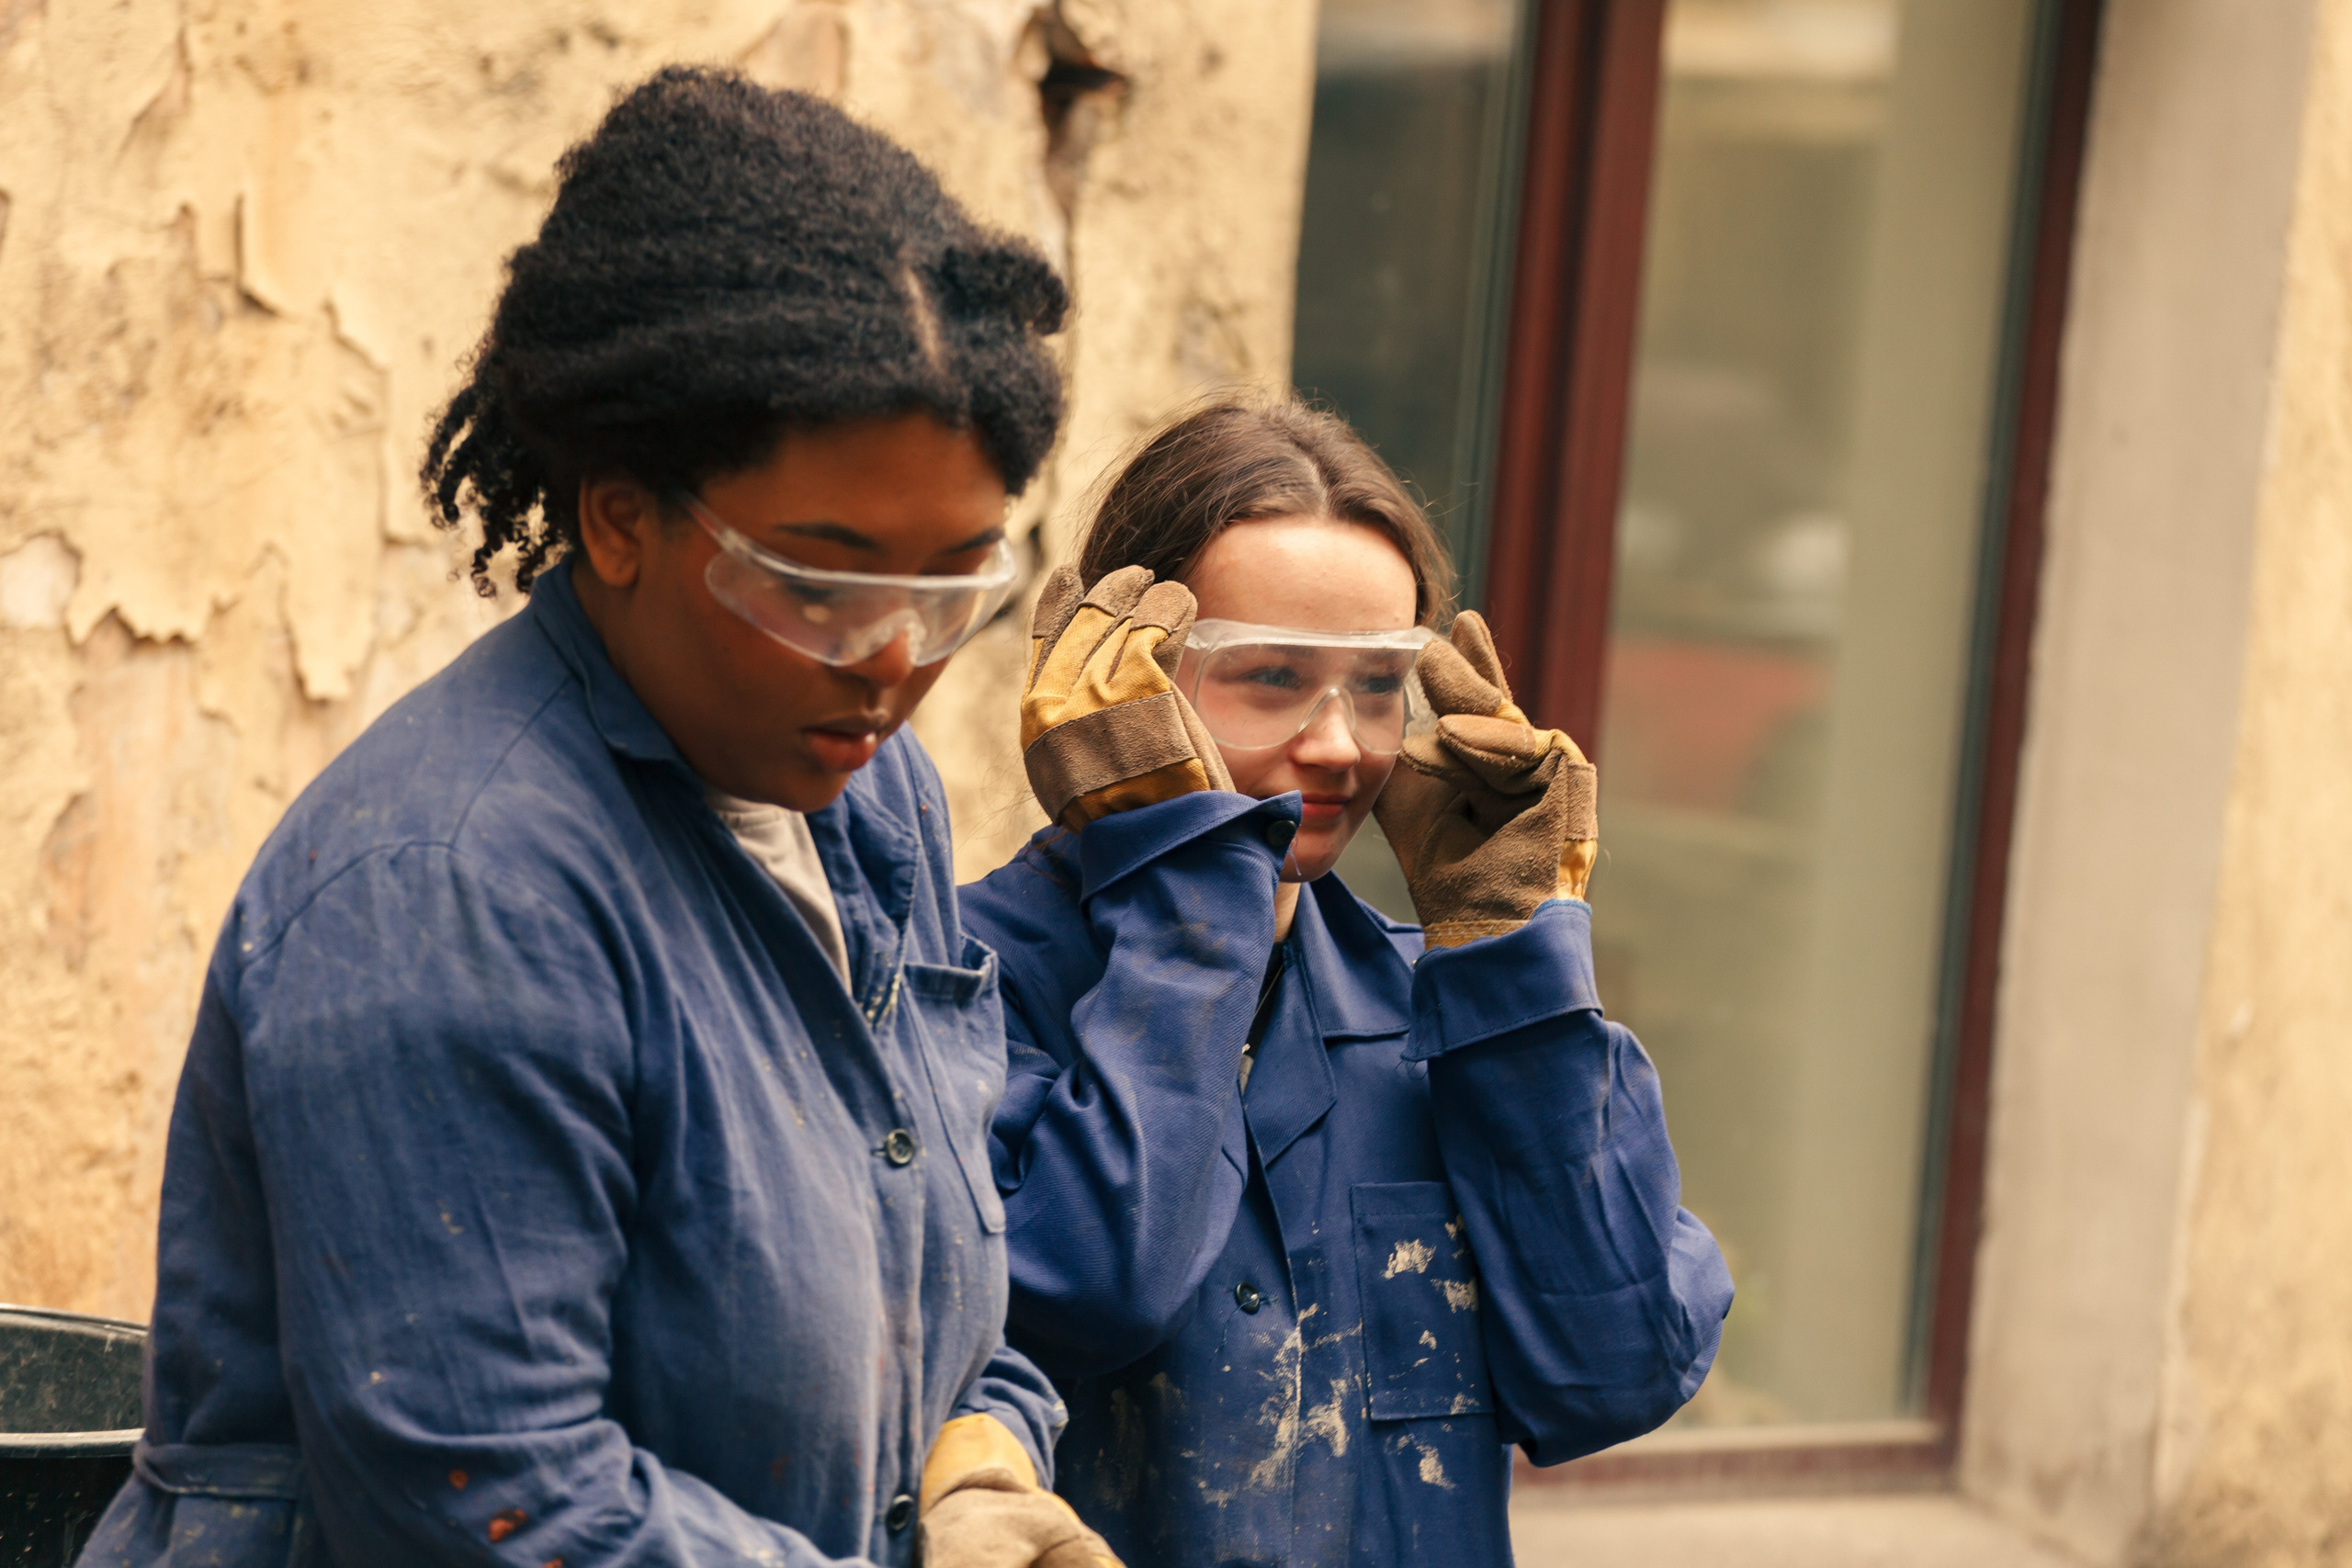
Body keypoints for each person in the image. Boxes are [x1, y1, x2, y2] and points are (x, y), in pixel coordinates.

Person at [83, 69, 1117, 1568]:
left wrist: (977, 1450)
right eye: (821, 581)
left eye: (954, 584)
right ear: (620, 515)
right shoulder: (447, 895)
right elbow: (496, 1507)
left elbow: (923, 1253)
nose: (897, 658)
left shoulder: (856, 789)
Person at [959, 400, 1734, 1566]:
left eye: (1376, 685)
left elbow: (1613, 1374)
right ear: (1118, 681)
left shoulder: (1444, 1009)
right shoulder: (962, 987)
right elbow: (1080, 1294)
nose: (1339, 745)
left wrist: (1514, 964)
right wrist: (1187, 906)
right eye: (1270, 678)